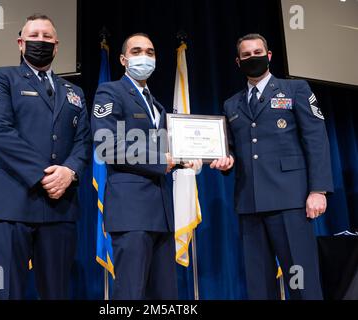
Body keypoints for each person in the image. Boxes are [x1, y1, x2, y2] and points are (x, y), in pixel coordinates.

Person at [0, 14, 91, 299]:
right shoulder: (1, 77)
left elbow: (84, 140)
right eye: (34, 35)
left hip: (58, 207)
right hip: (7, 205)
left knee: (57, 293)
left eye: (47, 36)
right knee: (3, 292)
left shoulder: (75, 92)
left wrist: (70, 172)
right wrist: (46, 174)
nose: (41, 41)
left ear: (57, 45)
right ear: (20, 42)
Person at [211, 33, 333, 300]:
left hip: (290, 201)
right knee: (259, 286)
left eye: (257, 53)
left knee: (301, 281)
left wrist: (319, 190)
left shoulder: (295, 90)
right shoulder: (231, 103)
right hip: (250, 203)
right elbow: (230, 149)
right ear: (237, 61)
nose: (252, 58)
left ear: (268, 56)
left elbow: (315, 138)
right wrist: (225, 160)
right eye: (246, 55)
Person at [91, 33, 200, 300]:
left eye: (150, 52)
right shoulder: (110, 92)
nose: (144, 57)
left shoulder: (157, 105)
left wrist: (188, 158)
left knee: (164, 296)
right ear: (123, 59)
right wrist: (164, 160)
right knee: (130, 294)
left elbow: (165, 153)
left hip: (161, 213)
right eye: (137, 51)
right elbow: (107, 146)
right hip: (131, 212)